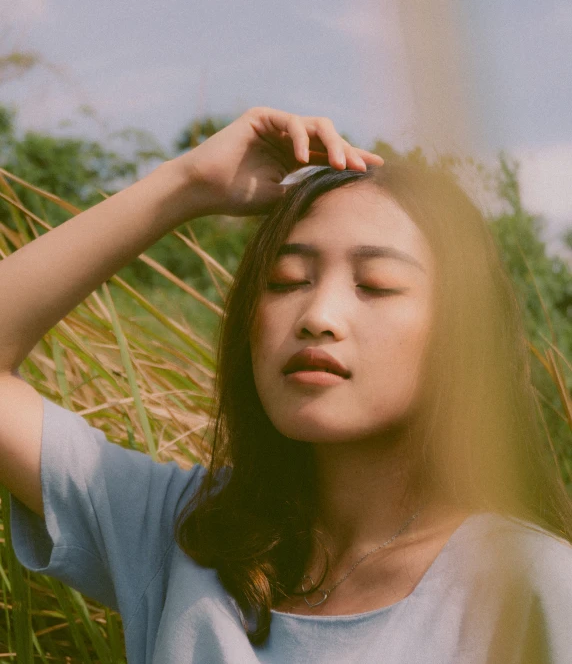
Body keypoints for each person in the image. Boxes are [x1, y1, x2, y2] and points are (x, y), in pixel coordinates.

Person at [0, 106, 571, 663]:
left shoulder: (533, 588)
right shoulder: (184, 535)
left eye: (376, 284)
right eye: (285, 280)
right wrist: (186, 183)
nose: (317, 314)